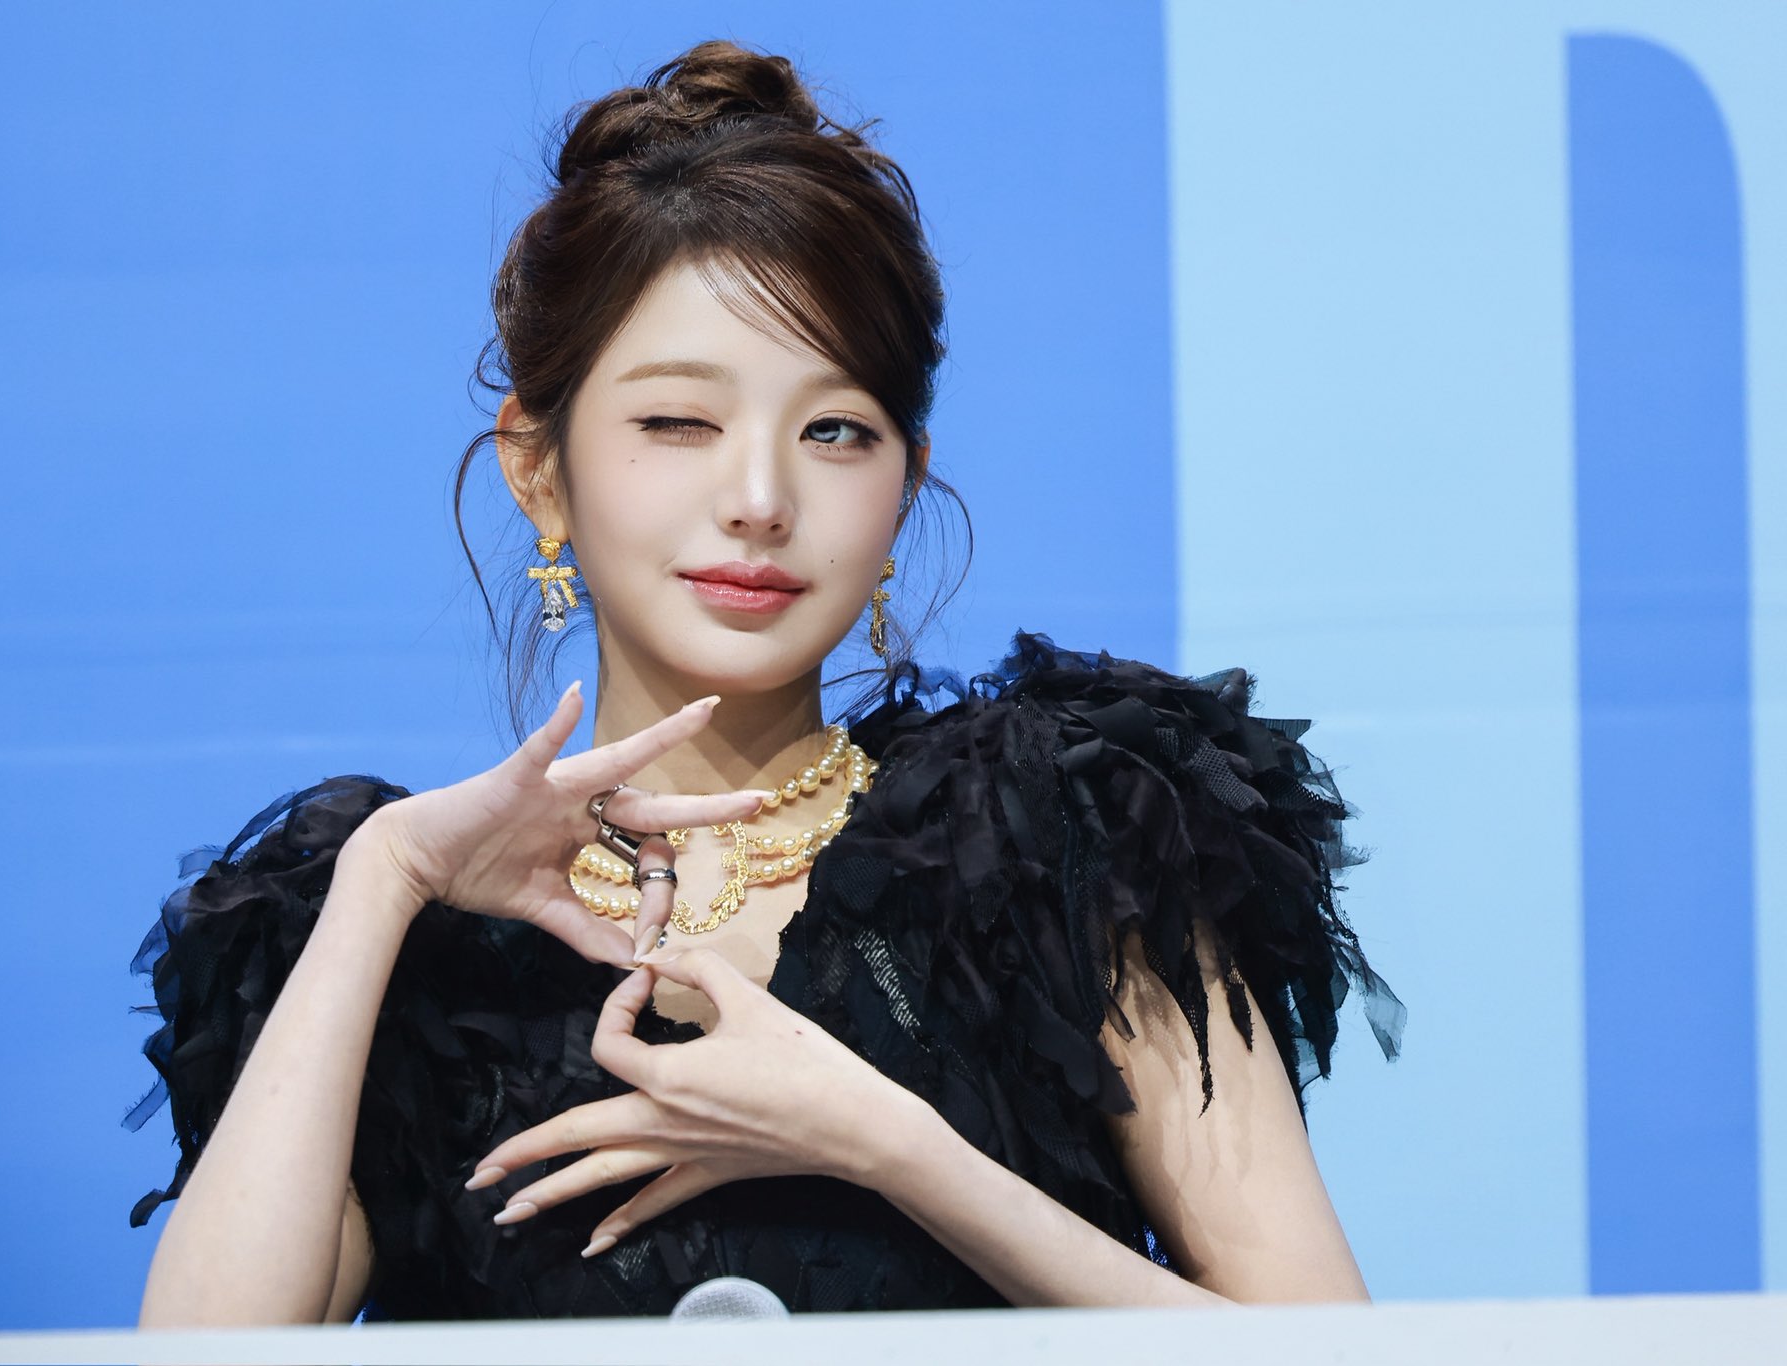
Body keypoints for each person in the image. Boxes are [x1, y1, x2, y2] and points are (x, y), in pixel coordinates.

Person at [123, 37, 1406, 1325]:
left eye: (834, 430)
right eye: (678, 422)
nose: (759, 499)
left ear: (904, 484)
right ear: (538, 468)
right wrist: (384, 881)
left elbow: (1330, 1354)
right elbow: (198, 1354)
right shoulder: (410, 936)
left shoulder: (1062, 841)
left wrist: (892, 1147)